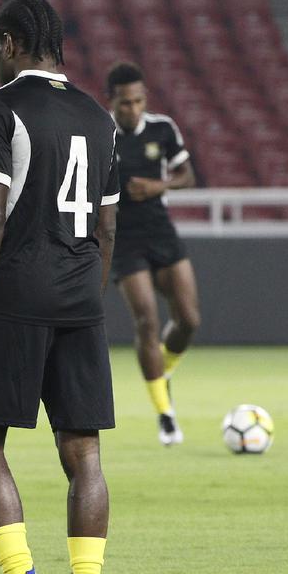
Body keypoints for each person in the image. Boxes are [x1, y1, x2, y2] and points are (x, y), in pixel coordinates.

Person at [0, 0, 119, 574]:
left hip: (15, 294)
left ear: (10, 43)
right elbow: (106, 227)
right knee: (83, 454)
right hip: (80, 300)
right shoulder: (99, 118)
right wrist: (83, 298)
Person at [106, 62, 200, 446]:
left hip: (160, 231)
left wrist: (159, 186)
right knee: (147, 319)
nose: (133, 109)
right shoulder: (101, 134)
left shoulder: (162, 129)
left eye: (139, 101)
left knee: (189, 320)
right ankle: (165, 415)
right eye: (126, 103)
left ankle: (163, 372)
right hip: (124, 238)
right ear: (111, 101)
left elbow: (187, 176)